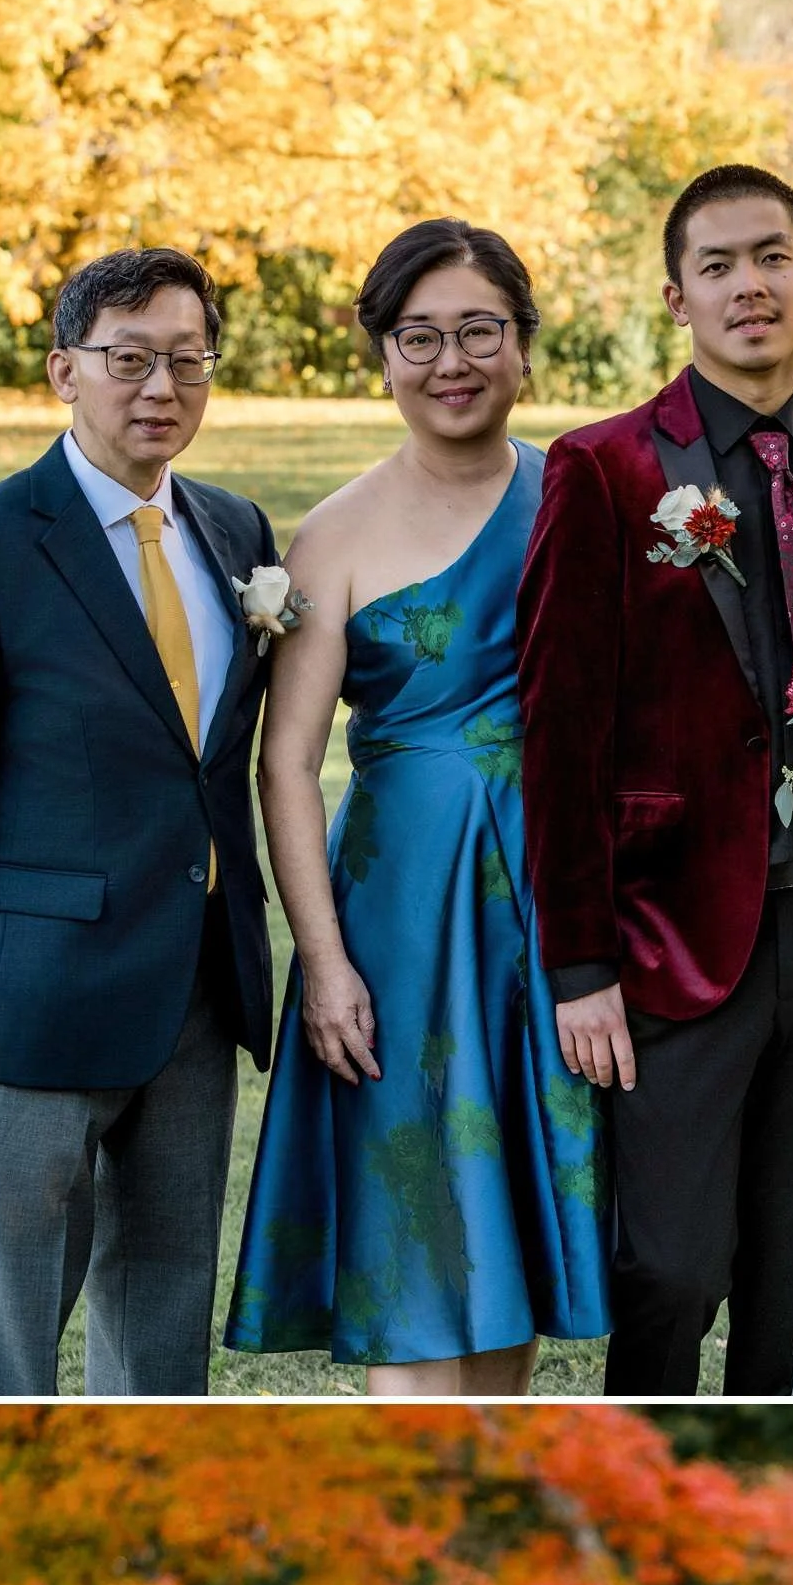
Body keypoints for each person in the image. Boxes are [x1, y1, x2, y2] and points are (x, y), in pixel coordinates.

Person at [517, 166, 793, 1391]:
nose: (751, 286)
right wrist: (579, 969)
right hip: (671, 939)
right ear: (678, 296)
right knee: (670, 1269)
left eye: (773, 257)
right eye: (721, 266)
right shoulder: (606, 469)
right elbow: (559, 729)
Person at [0, 247, 279, 1395]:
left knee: (163, 1340)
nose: (162, 387)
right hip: (31, 1007)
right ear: (65, 369)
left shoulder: (238, 533)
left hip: (196, 996)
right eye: (130, 360)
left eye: (188, 359)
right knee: (9, 1346)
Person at [228, 222, 608, 1388]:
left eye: (479, 331)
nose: (453, 361)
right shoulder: (334, 533)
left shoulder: (579, 498)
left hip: (550, 916)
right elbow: (285, 761)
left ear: (524, 346)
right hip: (395, 919)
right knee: (410, 1225)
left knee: (503, 1241)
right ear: (382, 356)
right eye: (421, 336)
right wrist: (325, 961)